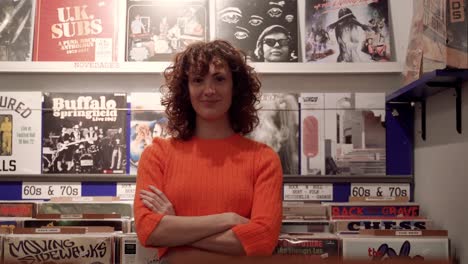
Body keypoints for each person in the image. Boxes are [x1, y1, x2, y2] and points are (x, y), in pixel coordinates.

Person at [134, 40, 283, 262]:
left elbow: (262, 240)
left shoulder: (263, 158)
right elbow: (148, 230)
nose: (209, 90)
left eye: (219, 79)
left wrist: (176, 226)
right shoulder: (157, 154)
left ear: (236, 87)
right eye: (197, 80)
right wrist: (229, 219)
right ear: (186, 89)